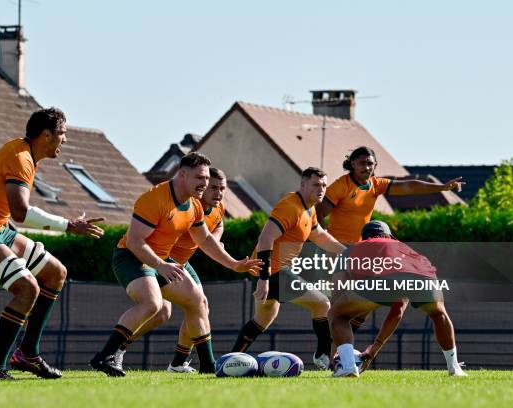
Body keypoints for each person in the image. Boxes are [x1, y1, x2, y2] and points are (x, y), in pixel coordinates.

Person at [0, 108, 105, 381]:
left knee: (56, 273)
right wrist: (68, 225)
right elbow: (20, 212)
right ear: (46, 135)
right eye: (62, 133)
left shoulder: (25, 153)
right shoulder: (21, 158)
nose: (65, 140)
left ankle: (27, 354)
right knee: (27, 288)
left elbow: (11, 214)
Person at [90, 153, 262, 376]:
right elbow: (134, 241)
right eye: (200, 177)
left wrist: (234, 264)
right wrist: (160, 265)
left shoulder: (194, 205)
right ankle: (105, 356)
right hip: (131, 257)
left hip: (162, 261)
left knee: (196, 301)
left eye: (207, 178)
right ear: (182, 174)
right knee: (153, 305)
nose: (205, 183)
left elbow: (206, 240)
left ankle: (207, 367)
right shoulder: (155, 198)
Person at [315, 146, 465, 358]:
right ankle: (329, 357)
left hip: (362, 251)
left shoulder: (376, 185)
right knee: (339, 307)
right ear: (352, 164)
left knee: (360, 310)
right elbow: (319, 214)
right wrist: (326, 245)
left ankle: (337, 355)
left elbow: (409, 186)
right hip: (339, 251)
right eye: (361, 163)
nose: (366, 167)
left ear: (375, 165)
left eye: (370, 163)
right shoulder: (341, 186)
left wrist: (440, 187)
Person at [231, 167, 347, 370]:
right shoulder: (290, 206)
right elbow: (265, 239)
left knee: (263, 317)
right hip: (272, 272)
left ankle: (232, 359)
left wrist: (347, 252)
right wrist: (264, 278)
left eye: (324, 185)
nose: (321, 189)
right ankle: (323, 357)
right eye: (316, 185)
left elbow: (319, 236)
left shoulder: (308, 209)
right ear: (303, 185)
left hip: (267, 272)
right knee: (321, 304)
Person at [328, 220, 467, 378]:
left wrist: (336, 346)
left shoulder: (354, 248)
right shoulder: (405, 248)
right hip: (425, 277)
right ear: (389, 236)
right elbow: (398, 309)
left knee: (337, 314)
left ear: (364, 238)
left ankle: (347, 366)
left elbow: (338, 292)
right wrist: (375, 347)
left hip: (382, 280)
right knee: (438, 314)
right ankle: (454, 368)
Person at [123, 167, 229, 373]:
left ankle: (179, 363)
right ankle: (119, 347)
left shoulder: (218, 208)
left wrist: (216, 240)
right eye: (213, 187)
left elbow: (218, 225)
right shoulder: (191, 206)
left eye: (222, 188)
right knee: (162, 311)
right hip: (162, 262)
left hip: (181, 264)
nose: (218, 193)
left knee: (198, 305)